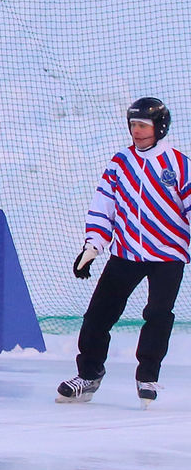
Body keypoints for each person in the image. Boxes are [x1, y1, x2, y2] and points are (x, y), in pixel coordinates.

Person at [59, 97, 190, 408]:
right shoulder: (120, 163)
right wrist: (93, 245)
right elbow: (104, 204)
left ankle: (147, 376)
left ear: (160, 127)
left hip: (168, 255)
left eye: (143, 125)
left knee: (158, 314)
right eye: (133, 125)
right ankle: (88, 375)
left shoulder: (178, 164)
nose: (137, 131)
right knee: (98, 314)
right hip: (126, 252)